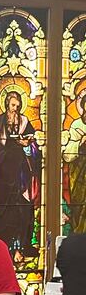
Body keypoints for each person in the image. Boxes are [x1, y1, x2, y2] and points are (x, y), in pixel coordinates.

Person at [0, 90, 42, 257]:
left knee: (23, 211)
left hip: (21, 177)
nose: (16, 109)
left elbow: (35, 150)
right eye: (13, 105)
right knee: (5, 215)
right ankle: (3, 248)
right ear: (6, 104)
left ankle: (23, 246)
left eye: (18, 106)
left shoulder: (25, 122)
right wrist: (8, 146)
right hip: (2, 177)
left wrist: (26, 145)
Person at [62, 94, 86, 232]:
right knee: (79, 207)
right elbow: (66, 155)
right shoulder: (77, 125)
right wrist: (81, 143)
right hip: (79, 177)